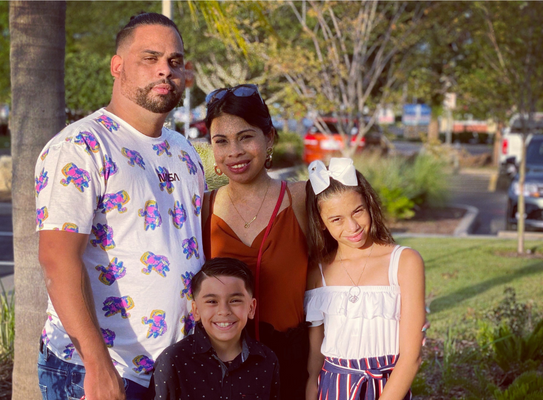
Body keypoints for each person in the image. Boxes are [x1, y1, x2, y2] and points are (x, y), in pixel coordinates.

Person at [35, 12, 205, 400]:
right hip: (98, 370)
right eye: (150, 58)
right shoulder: (81, 147)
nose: (165, 70)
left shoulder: (182, 150)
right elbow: (57, 259)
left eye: (174, 62)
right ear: (117, 66)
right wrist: (97, 365)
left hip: (172, 369)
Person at [202, 84, 309, 398]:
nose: (233, 151)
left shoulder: (302, 199)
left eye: (246, 137)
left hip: (291, 366)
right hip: (221, 371)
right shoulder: (202, 207)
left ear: (269, 137)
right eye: (221, 141)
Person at [304, 158, 425, 400]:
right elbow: (316, 355)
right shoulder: (318, 272)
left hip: (389, 388)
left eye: (357, 211)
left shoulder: (404, 262)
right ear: (321, 223)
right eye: (336, 219)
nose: (352, 226)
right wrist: (311, 388)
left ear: (369, 205)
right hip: (332, 388)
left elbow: (412, 356)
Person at [152, 257, 280, 399]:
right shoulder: (173, 361)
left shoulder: (267, 360)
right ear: (196, 310)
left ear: (251, 308)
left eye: (235, 300)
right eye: (212, 301)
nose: (224, 311)